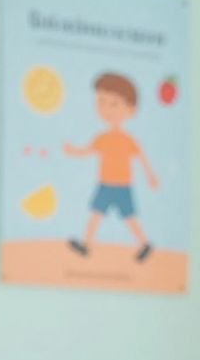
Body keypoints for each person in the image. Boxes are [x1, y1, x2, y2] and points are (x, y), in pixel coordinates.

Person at [63, 71, 158, 261]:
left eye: (114, 103)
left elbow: (141, 158)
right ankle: (86, 245)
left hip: (122, 185)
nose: (107, 109)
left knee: (129, 218)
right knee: (95, 214)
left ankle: (144, 244)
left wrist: (150, 176)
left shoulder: (128, 140)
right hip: (105, 184)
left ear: (130, 109)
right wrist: (72, 150)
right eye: (101, 102)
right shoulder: (102, 138)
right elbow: (87, 150)